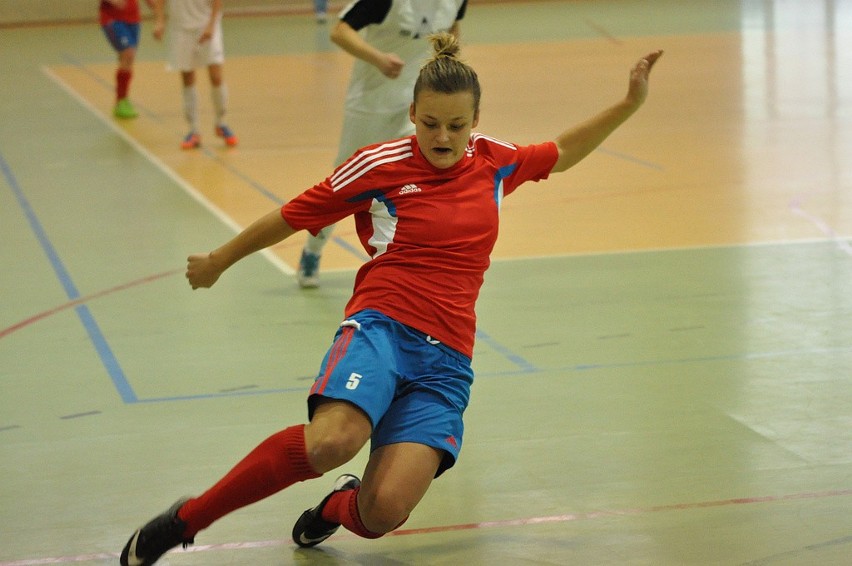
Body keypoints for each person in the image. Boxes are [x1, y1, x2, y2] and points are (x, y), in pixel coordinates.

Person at [119, 32, 662, 566]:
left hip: (446, 362)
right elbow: (291, 216)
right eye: (429, 124)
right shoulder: (378, 165)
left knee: (383, 513)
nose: (442, 137)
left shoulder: (496, 160)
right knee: (333, 441)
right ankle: (186, 520)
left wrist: (630, 102)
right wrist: (219, 261)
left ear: (475, 121)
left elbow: (564, 152)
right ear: (412, 112)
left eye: (455, 125)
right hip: (382, 328)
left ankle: (335, 504)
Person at [296, 0, 468, 288]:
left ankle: (405, 261)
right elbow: (340, 32)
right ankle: (313, 249)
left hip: (418, 106)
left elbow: (452, 29)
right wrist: (378, 58)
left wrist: (449, 63)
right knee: (344, 184)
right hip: (370, 104)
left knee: (414, 181)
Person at [151, 0, 238, 149]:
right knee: (187, 77)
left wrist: (211, 25)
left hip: (206, 24)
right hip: (180, 28)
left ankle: (221, 122)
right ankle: (194, 130)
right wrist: (160, 21)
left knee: (216, 76)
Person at [99, 0, 163, 119]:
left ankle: (123, 99)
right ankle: (120, 101)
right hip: (112, 19)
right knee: (128, 53)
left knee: (128, 59)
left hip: (133, 20)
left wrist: (158, 18)